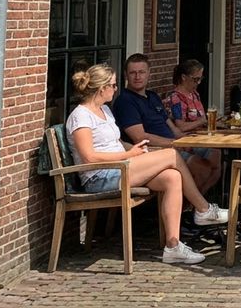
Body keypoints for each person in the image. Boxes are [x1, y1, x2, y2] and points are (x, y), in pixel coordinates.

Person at [66, 64, 227, 265]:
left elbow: (117, 143)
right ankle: (203, 210)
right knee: (171, 155)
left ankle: (173, 246)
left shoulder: (104, 110)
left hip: (121, 167)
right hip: (100, 177)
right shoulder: (80, 116)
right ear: (101, 89)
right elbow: (89, 157)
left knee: (172, 177)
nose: (116, 89)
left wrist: (138, 150)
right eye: (113, 86)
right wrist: (130, 154)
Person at [113, 54, 217, 194]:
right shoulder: (125, 102)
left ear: (149, 73)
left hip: (174, 144)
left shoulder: (153, 97)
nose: (137, 76)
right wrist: (174, 144)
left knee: (215, 154)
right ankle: (191, 208)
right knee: (201, 166)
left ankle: (193, 205)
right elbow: (139, 137)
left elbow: (174, 129)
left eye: (142, 72)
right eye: (133, 72)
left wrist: (192, 140)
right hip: (155, 150)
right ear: (126, 75)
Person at [162, 59, 222, 192]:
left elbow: (202, 119)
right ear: (184, 77)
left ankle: (201, 195)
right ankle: (194, 201)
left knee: (217, 157)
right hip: (187, 140)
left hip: (202, 137)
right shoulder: (175, 98)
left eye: (201, 79)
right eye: (195, 79)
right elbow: (181, 126)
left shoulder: (195, 94)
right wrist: (202, 121)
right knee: (212, 157)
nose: (198, 83)